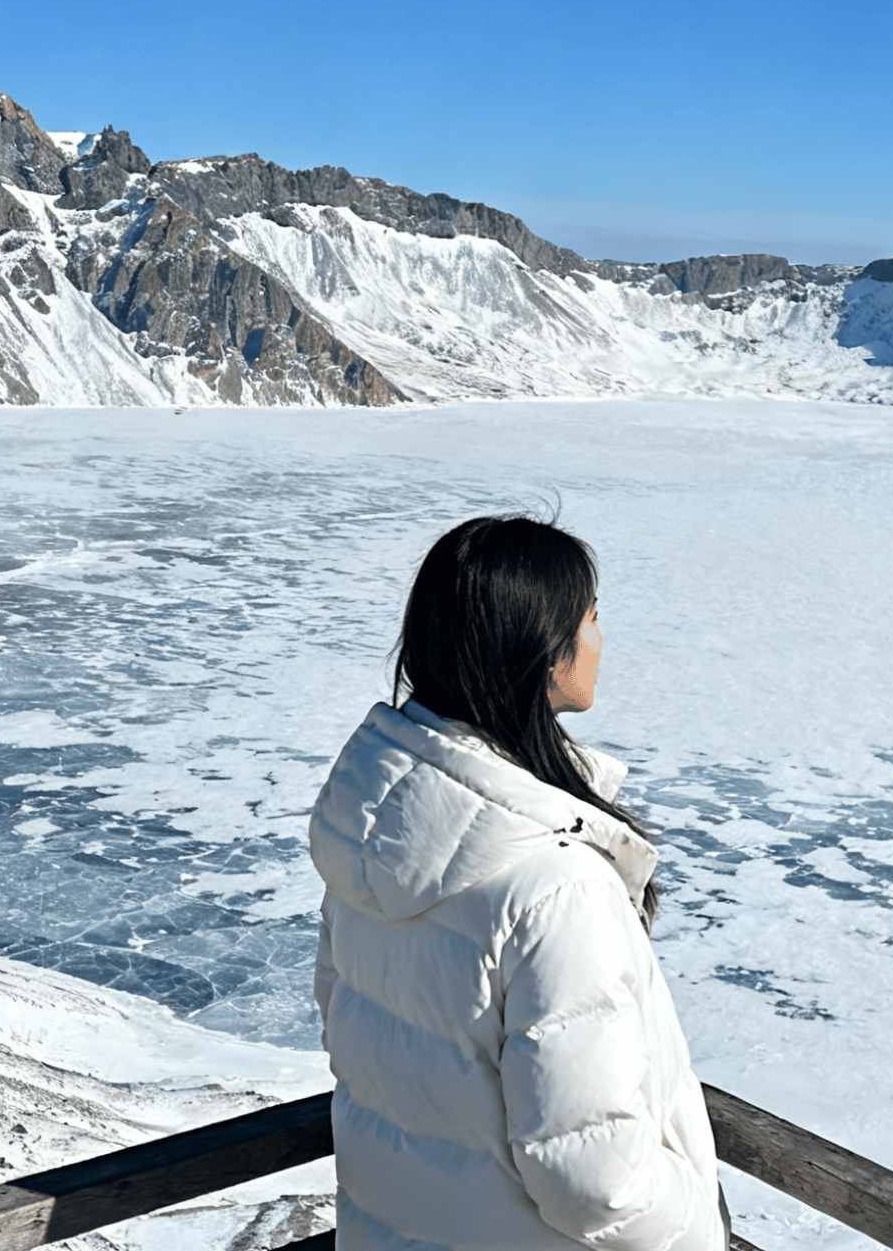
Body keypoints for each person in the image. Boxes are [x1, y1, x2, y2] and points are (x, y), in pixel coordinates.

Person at [309, 515, 725, 1251]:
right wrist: (696, 1219)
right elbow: (595, 1181)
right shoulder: (555, 886)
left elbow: (356, 1039)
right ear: (540, 647)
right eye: (590, 617)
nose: (599, 639)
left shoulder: (375, 841)